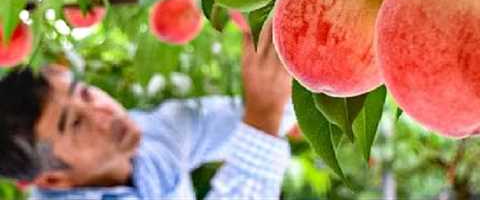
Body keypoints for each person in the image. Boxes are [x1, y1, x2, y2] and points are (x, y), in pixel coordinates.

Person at [0, 21, 294, 199]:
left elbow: (275, 107)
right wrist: (263, 114)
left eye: (87, 94)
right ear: (54, 180)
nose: (103, 111)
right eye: (76, 123)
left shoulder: (155, 133)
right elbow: (264, 111)